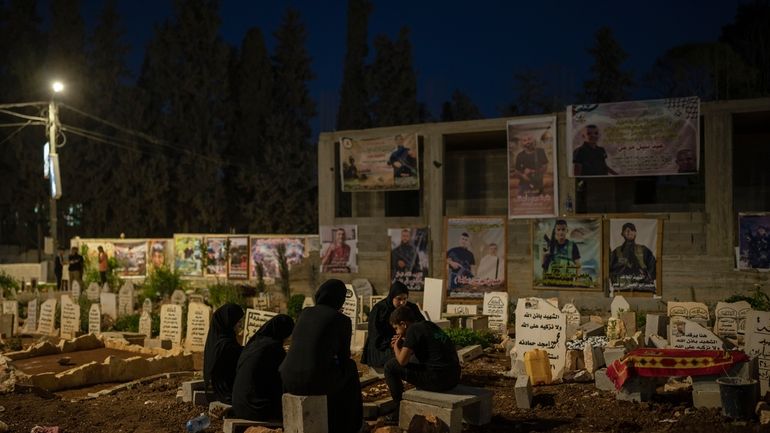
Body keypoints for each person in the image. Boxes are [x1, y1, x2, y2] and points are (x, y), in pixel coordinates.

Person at [280, 279, 363, 433]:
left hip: (287, 379)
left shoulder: (305, 313)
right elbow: (344, 357)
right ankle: (349, 423)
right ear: (340, 299)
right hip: (313, 382)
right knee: (350, 368)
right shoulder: (341, 320)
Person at [383, 306, 461, 423]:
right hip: (453, 378)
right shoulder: (428, 325)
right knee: (413, 359)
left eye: (396, 328)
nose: (396, 332)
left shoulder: (412, 330)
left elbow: (402, 361)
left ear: (403, 324)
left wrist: (395, 346)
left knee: (390, 367)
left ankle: (399, 409)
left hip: (439, 381)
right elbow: (417, 353)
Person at [232, 314, 294, 422]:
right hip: (256, 409)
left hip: (238, 406)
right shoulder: (273, 348)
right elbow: (283, 379)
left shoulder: (255, 343)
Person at [361, 282, 425, 370]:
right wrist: (392, 343)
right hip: (382, 345)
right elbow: (375, 334)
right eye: (399, 299)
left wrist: (407, 339)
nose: (402, 302)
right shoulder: (380, 309)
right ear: (392, 297)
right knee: (397, 358)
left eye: (405, 299)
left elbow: (421, 326)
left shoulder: (411, 307)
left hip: (406, 341)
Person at [203, 303, 245, 404]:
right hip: (225, 391)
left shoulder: (221, 338)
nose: (240, 324)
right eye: (238, 321)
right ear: (228, 321)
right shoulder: (224, 345)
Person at [609, 223, 657, 290]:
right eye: (626, 230)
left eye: (632, 230)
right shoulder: (616, 252)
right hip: (622, 288)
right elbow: (610, 269)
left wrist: (646, 279)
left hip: (643, 288)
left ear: (635, 233)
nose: (629, 232)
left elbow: (653, 267)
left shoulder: (643, 250)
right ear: (622, 234)